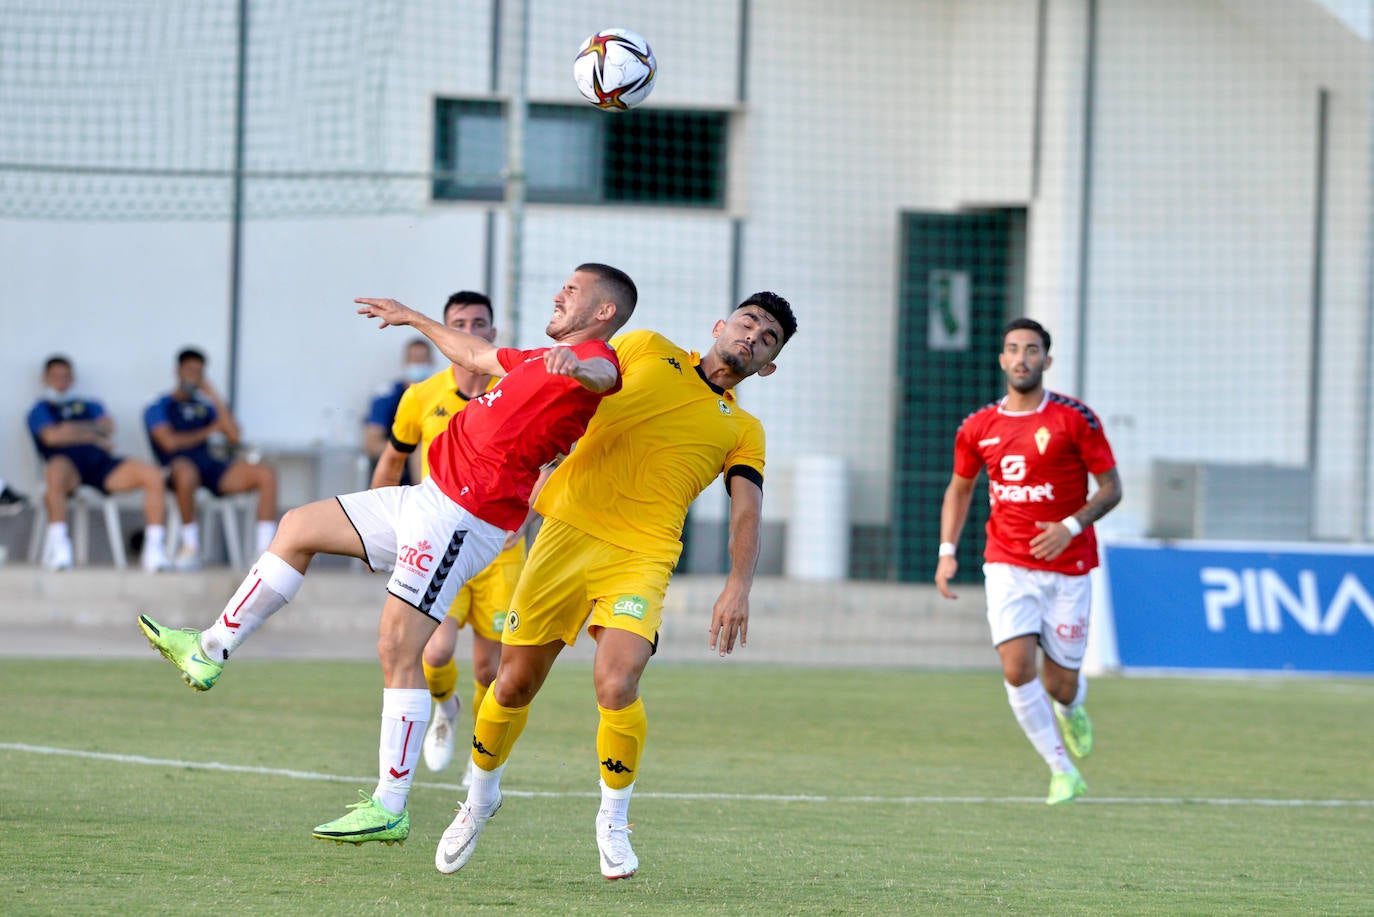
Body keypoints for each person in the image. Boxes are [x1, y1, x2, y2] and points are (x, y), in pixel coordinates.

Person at [137, 263, 634, 849]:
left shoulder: (596, 363)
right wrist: (414, 317)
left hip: (460, 519)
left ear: (602, 311)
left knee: (399, 650)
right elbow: (475, 354)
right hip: (424, 498)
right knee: (296, 527)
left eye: (572, 290)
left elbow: (604, 374)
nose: (559, 294)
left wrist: (580, 363)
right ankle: (209, 649)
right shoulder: (528, 360)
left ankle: (389, 805)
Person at [435, 291, 798, 881]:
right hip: (566, 533)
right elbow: (587, 382)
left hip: (642, 553)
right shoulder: (647, 346)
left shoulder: (745, 430)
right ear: (719, 324)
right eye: (749, 321)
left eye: (769, 338)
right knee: (513, 685)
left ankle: (613, 818)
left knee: (617, 680)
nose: (754, 335)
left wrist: (739, 584)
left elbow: (747, 511)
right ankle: (478, 798)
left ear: (770, 365)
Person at [933, 317, 1122, 806]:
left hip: (1069, 569)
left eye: (1032, 350)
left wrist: (1070, 527)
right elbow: (960, 489)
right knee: (1017, 670)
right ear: (1002, 360)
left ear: (1047, 360)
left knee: (1060, 685)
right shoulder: (978, 427)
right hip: (1007, 563)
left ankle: (1073, 707)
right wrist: (947, 552)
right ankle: (1061, 771)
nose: (1022, 358)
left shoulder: (1076, 419)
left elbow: (1111, 488)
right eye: (1013, 349)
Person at [370, 290, 530, 783]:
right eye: (457, 321)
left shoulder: (521, 388)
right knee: (435, 652)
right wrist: (379, 526)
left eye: (478, 322)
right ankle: (445, 710)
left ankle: (481, 752)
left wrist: (522, 513)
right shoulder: (420, 397)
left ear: (492, 334)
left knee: (490, 670)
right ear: (444, 332)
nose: (469, 329)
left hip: (498, 549)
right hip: (436, 544)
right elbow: (394, 460)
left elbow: (547, 462)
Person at [26, 355, 172, 572]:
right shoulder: (39, 409)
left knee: (153, 474)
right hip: (68, 469)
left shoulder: (90, 404)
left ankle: (154, 549)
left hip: (102, 466)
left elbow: (108, 427)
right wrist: (92, 435)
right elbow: (51, 437)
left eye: (65, 376)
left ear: (72, 378)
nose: (61, 381)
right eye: (55, 376)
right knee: (55, 471)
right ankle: (60, 546)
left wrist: (69, 429)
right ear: (45, 379)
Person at [144, 348, 279, 571]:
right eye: (190, 371)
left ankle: (266, 552)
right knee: (186, 471)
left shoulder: (205, 405)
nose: (194, 377)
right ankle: (190, 545)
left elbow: (234, 436)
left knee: (265, 473)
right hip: (176, 471)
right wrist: (208, 431)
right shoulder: (159, 405)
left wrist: (214, 395)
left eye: (199, 372)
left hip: (209, 467)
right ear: (177, 371)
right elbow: (169, 442)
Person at [363, 337, 436, 487]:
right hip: (396, 477)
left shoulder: (439, 394)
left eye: (423, 359)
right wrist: (410, 450)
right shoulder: (387, 396)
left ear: (431, 362)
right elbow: (371, 443)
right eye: (415, 359)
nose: (419, 364)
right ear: (406, 362)